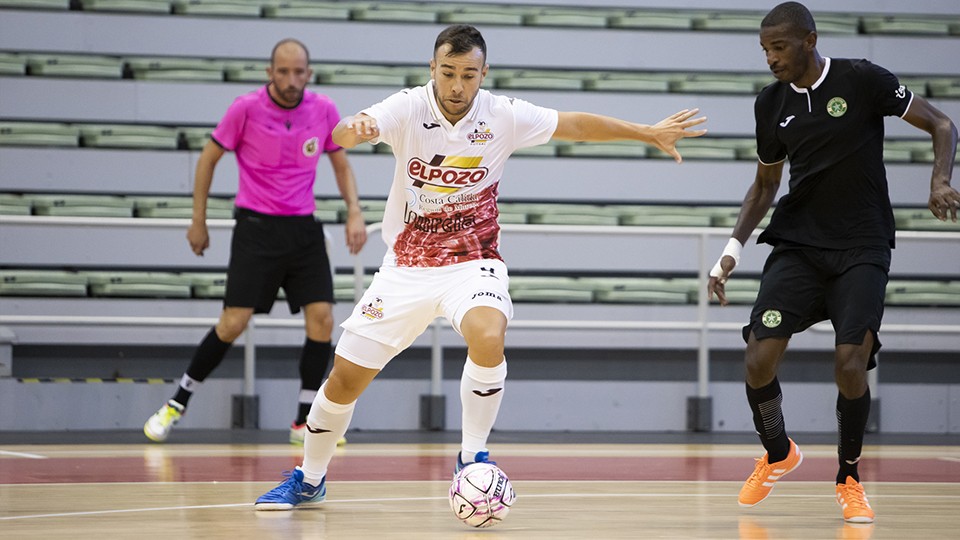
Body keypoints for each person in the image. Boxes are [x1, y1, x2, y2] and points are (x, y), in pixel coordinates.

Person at [253, 24, 707, 510]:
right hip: (407, 265)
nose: (456, 86)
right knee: (344, 377)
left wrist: (646, 132)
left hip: (474, 260)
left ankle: (472, 458)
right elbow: (347, 128)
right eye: (447, 72)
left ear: (483, 74)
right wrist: (355, 128)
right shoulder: (408, 107)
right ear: (432, 68)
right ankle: (310, 478)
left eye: (468, 75)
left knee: (489, 335)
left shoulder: (502, 115)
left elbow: (574, 124)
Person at [707, 2, 959, 524]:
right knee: (757, 357)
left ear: (808, 40)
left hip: (863, 245)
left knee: (850, 364)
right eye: (764, 50)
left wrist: (938, 181)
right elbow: (765, 184)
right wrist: (731, 251)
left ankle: (848, 477)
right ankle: (779, 454)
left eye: (778, 48)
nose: (770, 58)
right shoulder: (770, 104)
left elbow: (941, 123)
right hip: (799, 244)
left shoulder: (862, 79)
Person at [143, 38, 367, 446]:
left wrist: (355, 210)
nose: (291, 79)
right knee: (233, 323)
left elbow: (341, 163)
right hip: (256, 228)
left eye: (298, 72)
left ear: (308, 74)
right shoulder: (244, 109)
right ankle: (176, 403)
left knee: (323, 320)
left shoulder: (323, 109)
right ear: (269, 73)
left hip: (303, 229)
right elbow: (208, 158)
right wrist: (199, 221)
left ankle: (304, 421)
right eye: (282, 71)